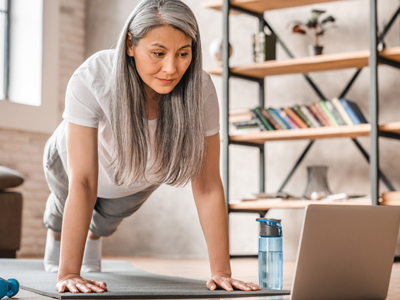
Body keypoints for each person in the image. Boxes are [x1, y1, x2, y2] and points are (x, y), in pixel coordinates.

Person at [42, 0, 261, 294]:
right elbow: (82, 181)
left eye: (183, 54)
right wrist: (69, 272)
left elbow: (208, 184)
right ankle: (57, 235)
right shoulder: (93, 76)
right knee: (62, 203)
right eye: (158, 53)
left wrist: (221, 271)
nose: (171, 68)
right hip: (70, 160)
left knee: (106, 221)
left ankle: (96, 236)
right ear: (130, 44)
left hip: (135, 171)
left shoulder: (201, 90)